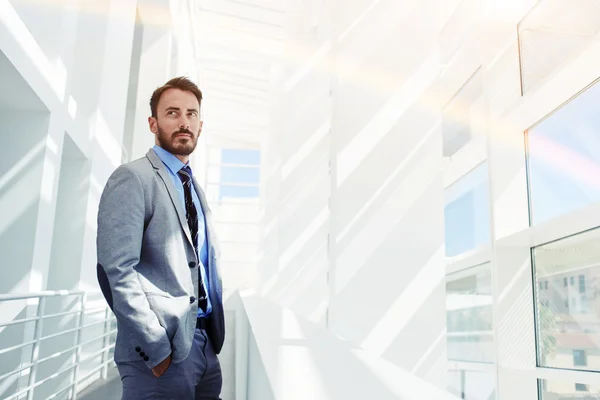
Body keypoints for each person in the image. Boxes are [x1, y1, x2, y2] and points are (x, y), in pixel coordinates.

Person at [96, 76, 225, 400]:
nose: (184, 122)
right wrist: (155, 347)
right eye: (172, 113)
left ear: (200, 124)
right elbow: (115, 270)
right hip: (161, 354)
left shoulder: (193, 187)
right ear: (153, 123)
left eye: (191, 114)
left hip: (205, 346)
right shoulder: (133, 177)